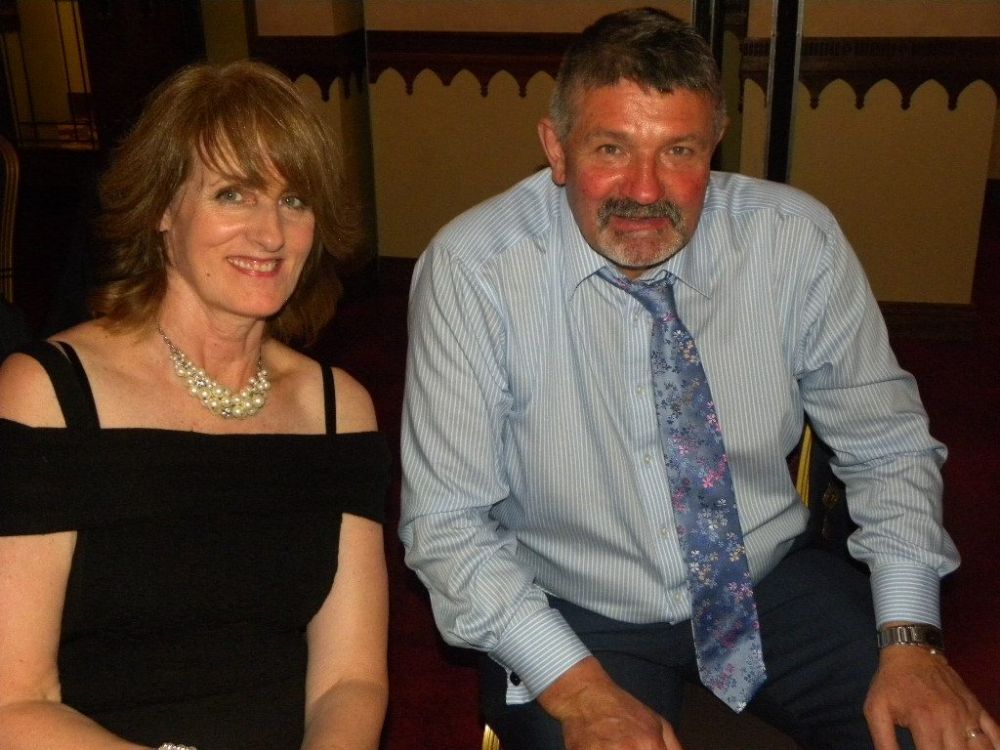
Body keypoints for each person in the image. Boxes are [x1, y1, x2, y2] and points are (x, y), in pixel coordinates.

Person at [400, 7, 998, 750]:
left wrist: (912, 642)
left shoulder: (794, 239)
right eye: (611, 148)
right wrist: (579, 691)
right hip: (570, 608)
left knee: (934, 739)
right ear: (556, 147)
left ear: (714, 145)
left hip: (767, 582)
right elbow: (447, 524)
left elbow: (888, 445)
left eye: (678, 150)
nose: (645, 190)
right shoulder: (473, 270)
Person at [0, 61, 390, 750]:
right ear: (162, 208)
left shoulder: (339, 409)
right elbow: (14, 701)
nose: (271, 235)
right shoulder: (50, 397)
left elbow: (350, 682)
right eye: (233, 194)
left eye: (295, 200)